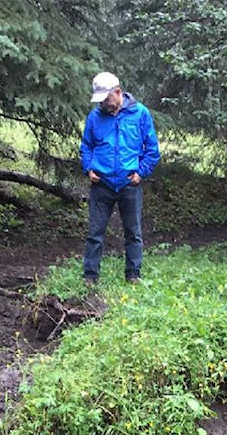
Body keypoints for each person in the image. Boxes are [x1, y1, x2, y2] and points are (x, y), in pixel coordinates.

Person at [79, 71, 161, 286]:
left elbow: (152, 149)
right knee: (95, 232)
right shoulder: (95, 117)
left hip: (129, 183)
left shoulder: (140, 114)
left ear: (117, 92)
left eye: (106, 99)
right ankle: (90, 276)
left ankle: (133, 275)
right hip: (101, 184)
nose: (103, 104)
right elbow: (86, 146)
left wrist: (140, 172)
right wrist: (88, 168)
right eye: (100, 100)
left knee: (133, 232)